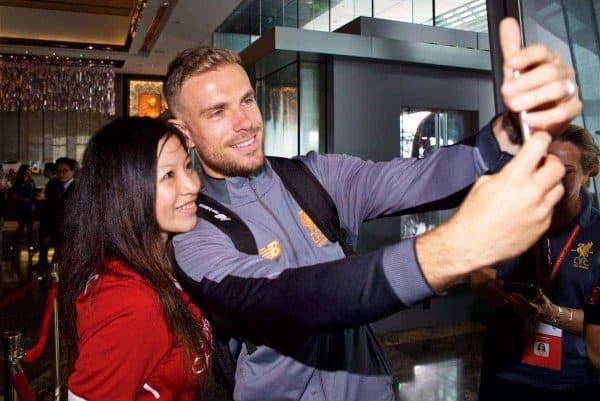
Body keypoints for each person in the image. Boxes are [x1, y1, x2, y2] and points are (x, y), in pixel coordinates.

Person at [165, 18, 580, 401]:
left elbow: (420, 178)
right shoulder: (193, 231)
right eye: (218, 112)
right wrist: (452, 250)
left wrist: (508, 134)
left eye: (247, 101)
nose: (245, 122)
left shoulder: (316, 177)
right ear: (184, 131)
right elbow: (291, 297)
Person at [58, 117, 212, 401]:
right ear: (125, 191)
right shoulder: (131, 300)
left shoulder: (163, 259)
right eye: (168, 175)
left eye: (188, 166)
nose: (193, 184)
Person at [472, 125, 600, 400]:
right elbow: (480, 275)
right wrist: (491, 289)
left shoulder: (597, 232)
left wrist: (551, 313)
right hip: (507, 371)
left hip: (573, 380)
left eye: (565, 171)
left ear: (588, 172)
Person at [10, 164, 37, 253]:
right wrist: (23, 199)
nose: (29, 171)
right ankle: (13, 243)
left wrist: (32, 198)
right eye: (28, 169)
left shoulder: (31, 180)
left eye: (29, 170)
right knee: (21, 226)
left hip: (30, 207)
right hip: (21, 207)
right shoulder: (18, 181)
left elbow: (33, 192)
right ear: (23, 171)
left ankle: (30, 244)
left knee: (30, 227)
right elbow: (13, 195)